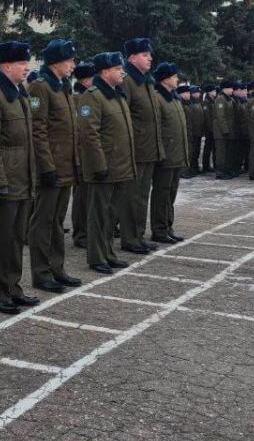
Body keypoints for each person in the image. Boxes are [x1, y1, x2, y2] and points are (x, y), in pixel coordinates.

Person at [0, 41, 39, 315]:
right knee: (1, 239)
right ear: (6, 66)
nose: (27, 68)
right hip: (6, 181)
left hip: (23, 179)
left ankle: (14, 288)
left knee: (16, 238)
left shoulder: (20, 93)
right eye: (21, 63)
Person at [27, 39, 83, 294]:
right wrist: (47, 167)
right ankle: (41, 272)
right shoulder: (41, 88)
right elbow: (37, 131)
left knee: (58, 221)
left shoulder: (63, 87)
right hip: (51, 169)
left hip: (66, 167)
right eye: (70, 61)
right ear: (56, 62)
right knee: (44, 221)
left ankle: (57, 268)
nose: (73, 65)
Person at [76, 52, 134, 275]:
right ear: (105, 72)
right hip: (104, 168)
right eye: (119, 69)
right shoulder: (93, 96)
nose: (122, 72)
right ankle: (97, 257)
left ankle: (108, 253)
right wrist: (99, 165)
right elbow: (89, 134)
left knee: (110, 214)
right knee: (98, 214)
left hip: (119, 166)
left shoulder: (117, 95)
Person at [120, 38, 164, 255]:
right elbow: (122, 117)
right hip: (135, 150)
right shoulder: (127, 81)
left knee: (142, 195)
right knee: (131, 197)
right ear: (132, 57)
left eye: (149, 54)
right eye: (145, 55)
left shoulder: (146, 80)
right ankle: (129, 238)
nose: (150, 58)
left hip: (148, 149)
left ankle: (138, 235)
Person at [151, 63, 189, 243]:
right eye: (174, 76)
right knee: (162, 194)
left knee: (171, 194)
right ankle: (159, 230)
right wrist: (161, 153)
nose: (177, 80)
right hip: (166, 156)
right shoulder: (158, 98)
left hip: (177, 156)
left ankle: (168, 226)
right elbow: (156, 129)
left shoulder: (174, 98)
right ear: (165, 78)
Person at [70, 62, 96, 250]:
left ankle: (87, 231)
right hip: (81, 155)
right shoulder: (78, 98)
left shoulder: (86, 97)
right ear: (86, 81)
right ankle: (81, 234)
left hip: (88, 154)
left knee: (89, 196)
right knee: (82, 197)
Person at [177, 84, 204, 178]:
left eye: (189, 92)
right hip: (186, 132)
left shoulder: (189, 103)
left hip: (194, 131)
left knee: (193, 152)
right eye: (187, 92)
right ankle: (184, 171)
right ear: (181, 94)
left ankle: (192, 169)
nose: (189, 94)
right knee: (187, 153)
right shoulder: (181, 103)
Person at [212, 82, 236, 179]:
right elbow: (220, 116)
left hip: (228, 130)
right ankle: (220, 172)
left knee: (227, 153)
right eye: (230, 88)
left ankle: (227, 170)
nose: (232, 90)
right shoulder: (220, 99)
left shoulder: (228, 99)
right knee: (221, 153)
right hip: (221, 132)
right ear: (224, 89)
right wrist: (225, 130)